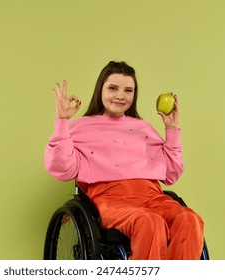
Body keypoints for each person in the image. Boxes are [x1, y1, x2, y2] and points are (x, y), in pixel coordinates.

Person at [44, 61, 204, 260]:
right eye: (113, 88)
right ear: (100, 89)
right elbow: (63, 169)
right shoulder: (81, 127)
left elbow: (171, 174)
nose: (120, 96)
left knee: (190, 220)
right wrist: (62, 122)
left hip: (151, 195)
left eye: (128, 90)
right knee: (149, 222)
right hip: (109, 198)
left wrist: (171, 130)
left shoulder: (143, 128)